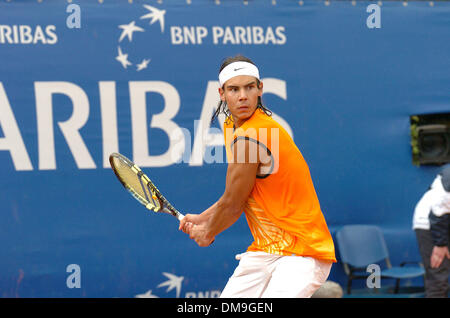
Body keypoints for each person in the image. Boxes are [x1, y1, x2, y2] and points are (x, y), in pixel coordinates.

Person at [179, 55, 336, 298]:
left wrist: (208, 232)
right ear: (222, 93)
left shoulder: (254, 133)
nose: (242, 96)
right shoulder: (232, 125)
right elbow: (239, 193)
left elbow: (233, 204)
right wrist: (204, 218)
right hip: (265, 250)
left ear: (260, 89)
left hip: (302, 252)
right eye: (234, 89)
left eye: (249, 87)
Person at [412, 165, 450, 297]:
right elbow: (439, 209)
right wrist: (440, 244)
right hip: (431, 223)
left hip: (444, 220)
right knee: (438, 278)